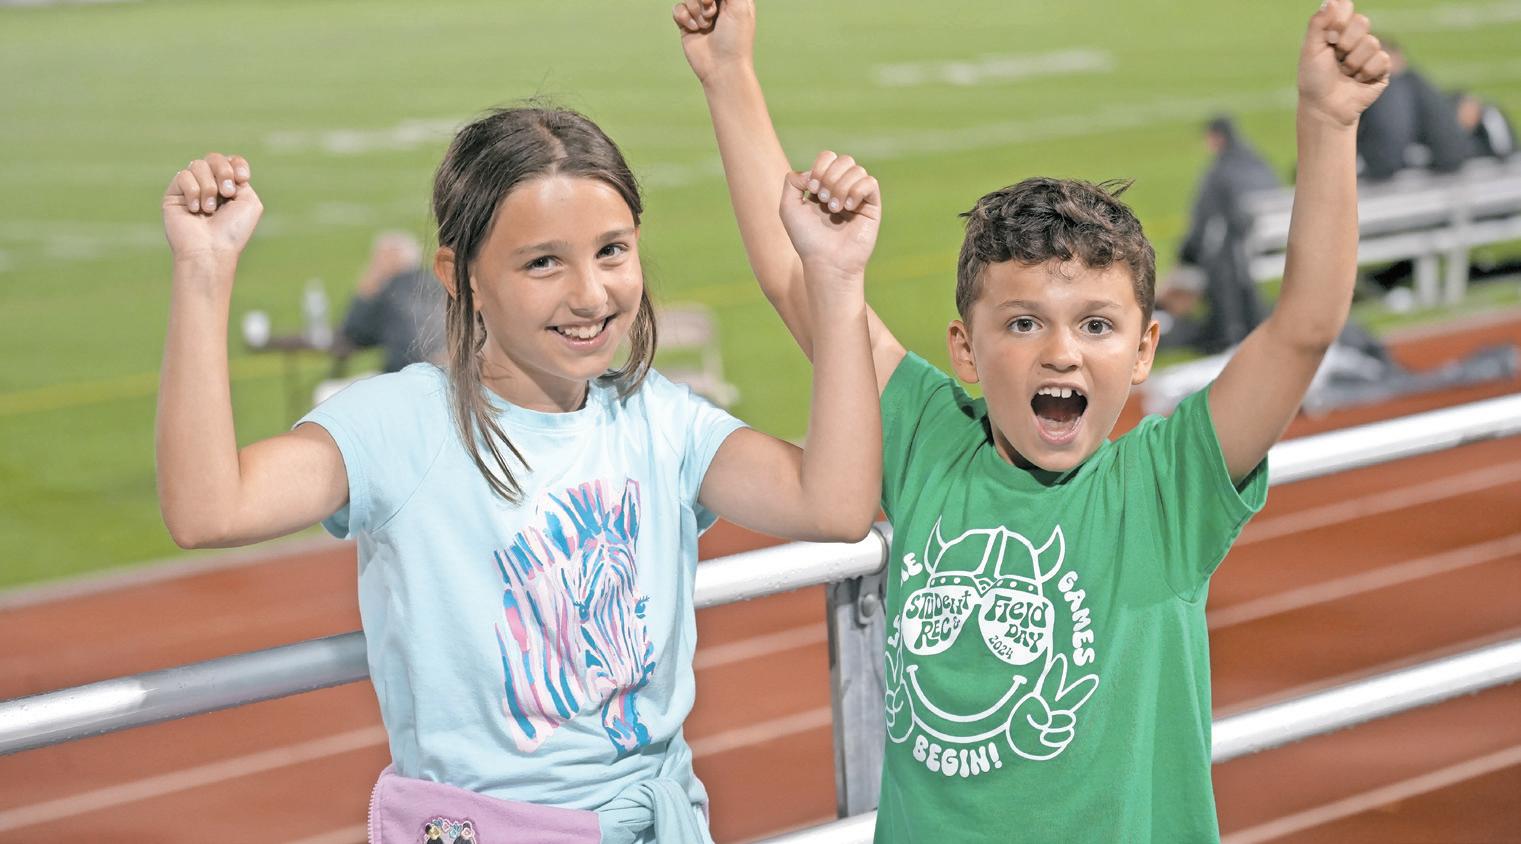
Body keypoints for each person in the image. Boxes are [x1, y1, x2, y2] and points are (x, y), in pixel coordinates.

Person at [675, 0, 1388, 839]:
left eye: (1096, 325)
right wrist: (727, 72)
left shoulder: (1165, 488)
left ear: (1144, 349)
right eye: (1022, 323)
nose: (1061, 353)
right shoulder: (928, 438)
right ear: (964, 350)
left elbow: (1302, 327)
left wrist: (1326, 123)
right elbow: (799, 279)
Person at [154, 106, 883, 843]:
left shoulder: (660, 418)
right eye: (542, 263)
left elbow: (833, 505)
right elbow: (210, 509)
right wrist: (203, 271)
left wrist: (835, 278)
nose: (590, 294)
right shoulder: (400, 425)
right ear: (460, 277)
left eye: (611, 250)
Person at [1158, 116, 1282, 353]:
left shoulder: (1219, 173)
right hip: (1271, 246)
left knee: (1208, 260)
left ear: (1215, 138)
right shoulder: (1259, 163)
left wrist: (1183, 258)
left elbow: (1201, 226)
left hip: (1239, 254)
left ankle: (1223, 329)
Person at [335, 231, 445, 373]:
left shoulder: (389, 292)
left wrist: (368, 287)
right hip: (446, 372)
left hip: (404, 373)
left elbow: (354, 332)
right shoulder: (438, 283)